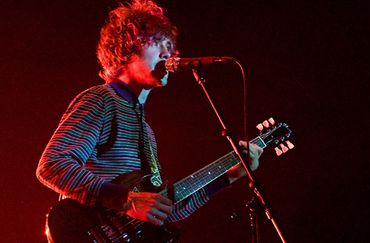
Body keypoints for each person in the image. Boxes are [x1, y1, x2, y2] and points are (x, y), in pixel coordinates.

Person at [36, 0, 263, 236]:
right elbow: (53, 164)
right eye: (158, 42)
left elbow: (165, 210)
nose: (170, 53)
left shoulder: (147, 132)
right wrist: (124, 200)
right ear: (126, 49)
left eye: (171, 47)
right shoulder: (101, 100)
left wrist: (231, 174)